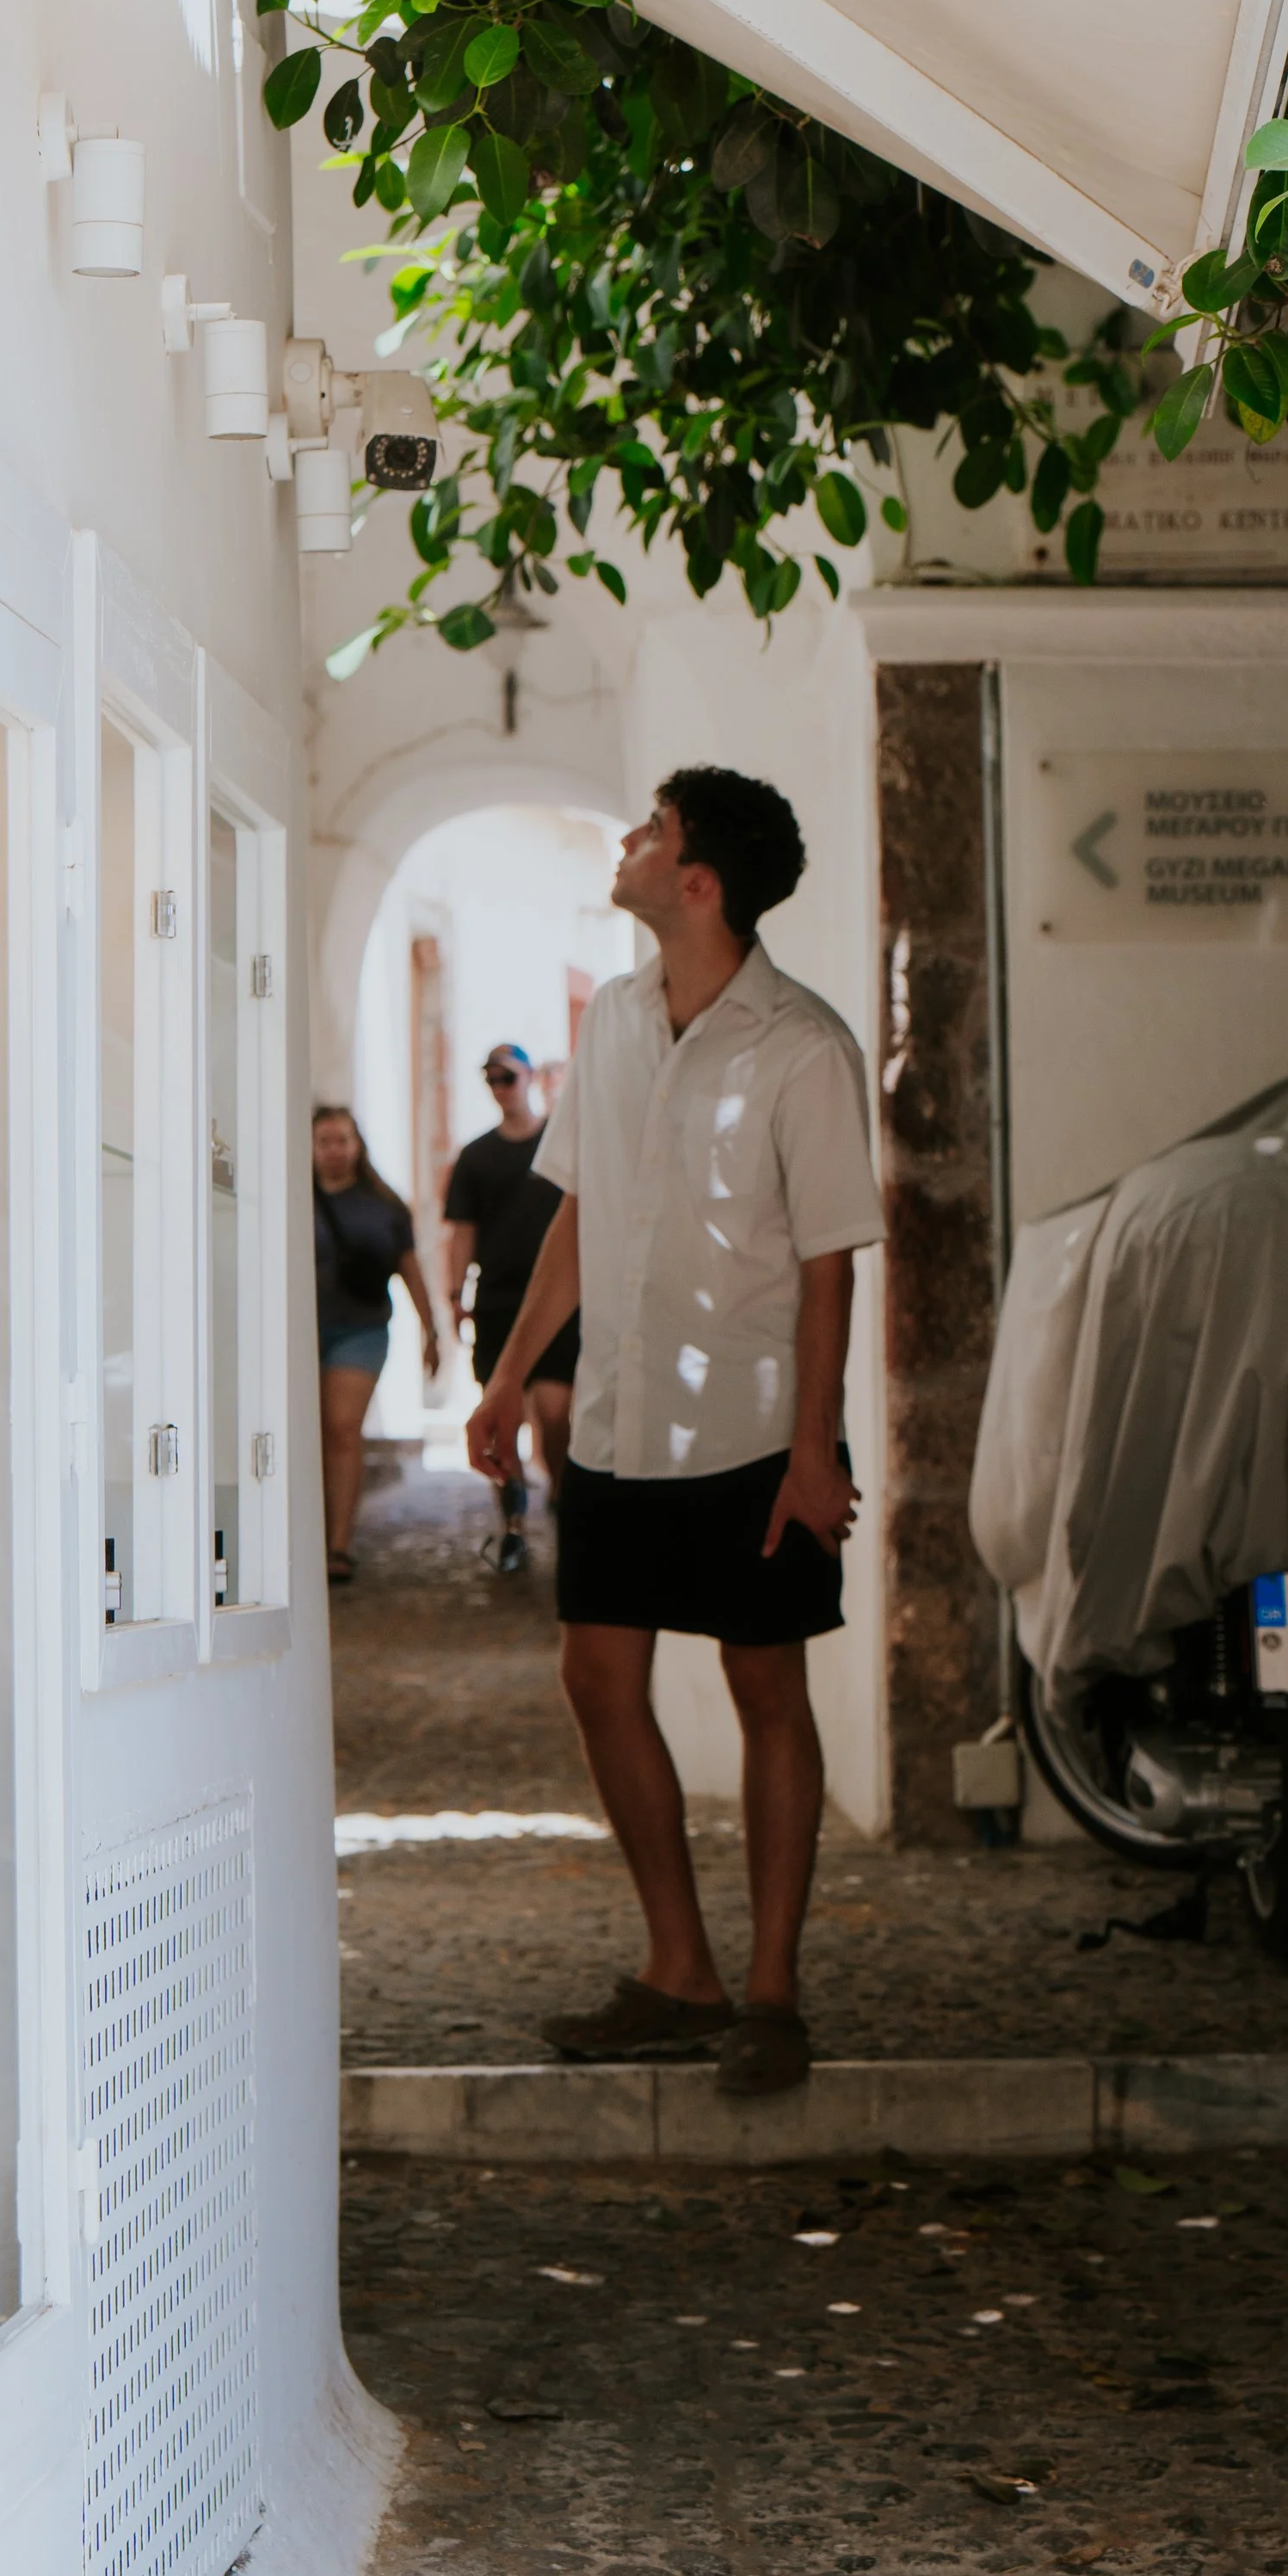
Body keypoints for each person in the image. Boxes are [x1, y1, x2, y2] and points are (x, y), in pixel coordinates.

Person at [467, 766, 884, 2098]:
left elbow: (829, 1260)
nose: (630, 840)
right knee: (598, 1677)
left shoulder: (804, 1047)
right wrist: (507, 1376)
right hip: (616, 1422)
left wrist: (815, 1449)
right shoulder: (613, 1021)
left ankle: (772, 1994)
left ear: (698, 881)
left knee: (768, 1692)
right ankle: (680, 1968)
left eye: (653, 829)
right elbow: (582, 1213)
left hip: (756, 1433)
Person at [445, 1044, 578, 1576]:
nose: (500, 1087)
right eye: (492, 1079)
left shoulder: (560, 1145)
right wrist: (454, 1295)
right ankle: (514, 1525)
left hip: (559, 1303)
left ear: (530, 1079)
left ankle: (563, 1501)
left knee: (555, 1412)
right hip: (497, 1302)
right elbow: (462, 1230)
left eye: (508, 1077)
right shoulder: (475, 1157)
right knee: (503, 1421)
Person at [313, 1103, 441, 1583]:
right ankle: (311, 1534)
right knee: (310, 1434)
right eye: (324, 1141)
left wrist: (431, 1331)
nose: (334, 1150)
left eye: (342, 1140)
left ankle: (338, 1544)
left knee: (343, 1428)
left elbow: (410, 1270)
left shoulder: (384, 1206)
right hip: (301, 1337)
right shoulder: (290, 1197)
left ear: (357, 1145)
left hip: (360, 1332)